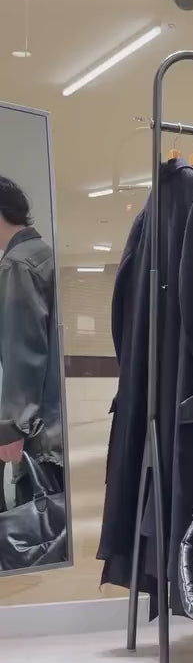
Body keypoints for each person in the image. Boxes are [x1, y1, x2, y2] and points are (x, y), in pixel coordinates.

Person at [0, 176, 63, 511]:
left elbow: (23, 355)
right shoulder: (45, 255)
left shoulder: (17, 264)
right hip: (56, 433)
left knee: (34, 528)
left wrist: (12, 428)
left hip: (38, 439)